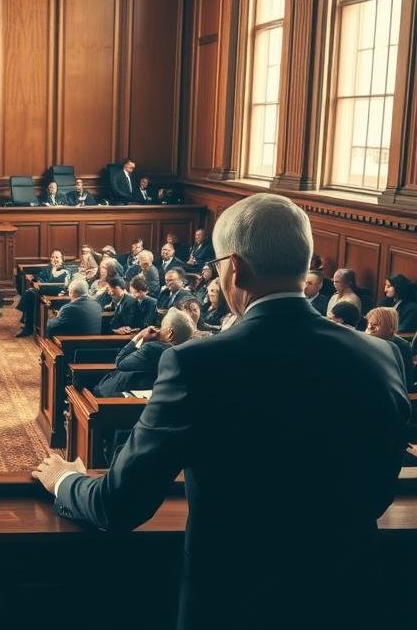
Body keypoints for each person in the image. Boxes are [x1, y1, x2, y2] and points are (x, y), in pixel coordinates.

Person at [33, 192, 409, 630]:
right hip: (350, 600)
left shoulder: (196, 364)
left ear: (237, 268)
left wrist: (63, 479)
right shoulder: (382, 355)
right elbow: (379, 490)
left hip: (235, 602)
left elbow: (118, 505)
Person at [81, 308, 196, 396]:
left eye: (162, 327)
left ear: (170, 334)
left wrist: (140, 336)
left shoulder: (152, 349)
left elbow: (120, 362)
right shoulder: (186, 353)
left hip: (119, 391)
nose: (159, 330)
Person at [16, 250, 70, 336]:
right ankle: (28, 327)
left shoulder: (66, 271)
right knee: (31, 294)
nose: (54, 259)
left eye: (57, 257)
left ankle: (27, 326)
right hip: (44, 293)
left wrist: (42, 284)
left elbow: (62, 286)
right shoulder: (47, 269)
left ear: (62, 259)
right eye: (52, 257)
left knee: (30, 292)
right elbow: (40, 278)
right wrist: (37, 281)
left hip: (57, 296)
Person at [365, 307, 415, 393]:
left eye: (375, 325)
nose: (370, 328)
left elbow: (405, 382)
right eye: (369, 324)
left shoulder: (402, 347)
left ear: (390, 327)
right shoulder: (364, 340)